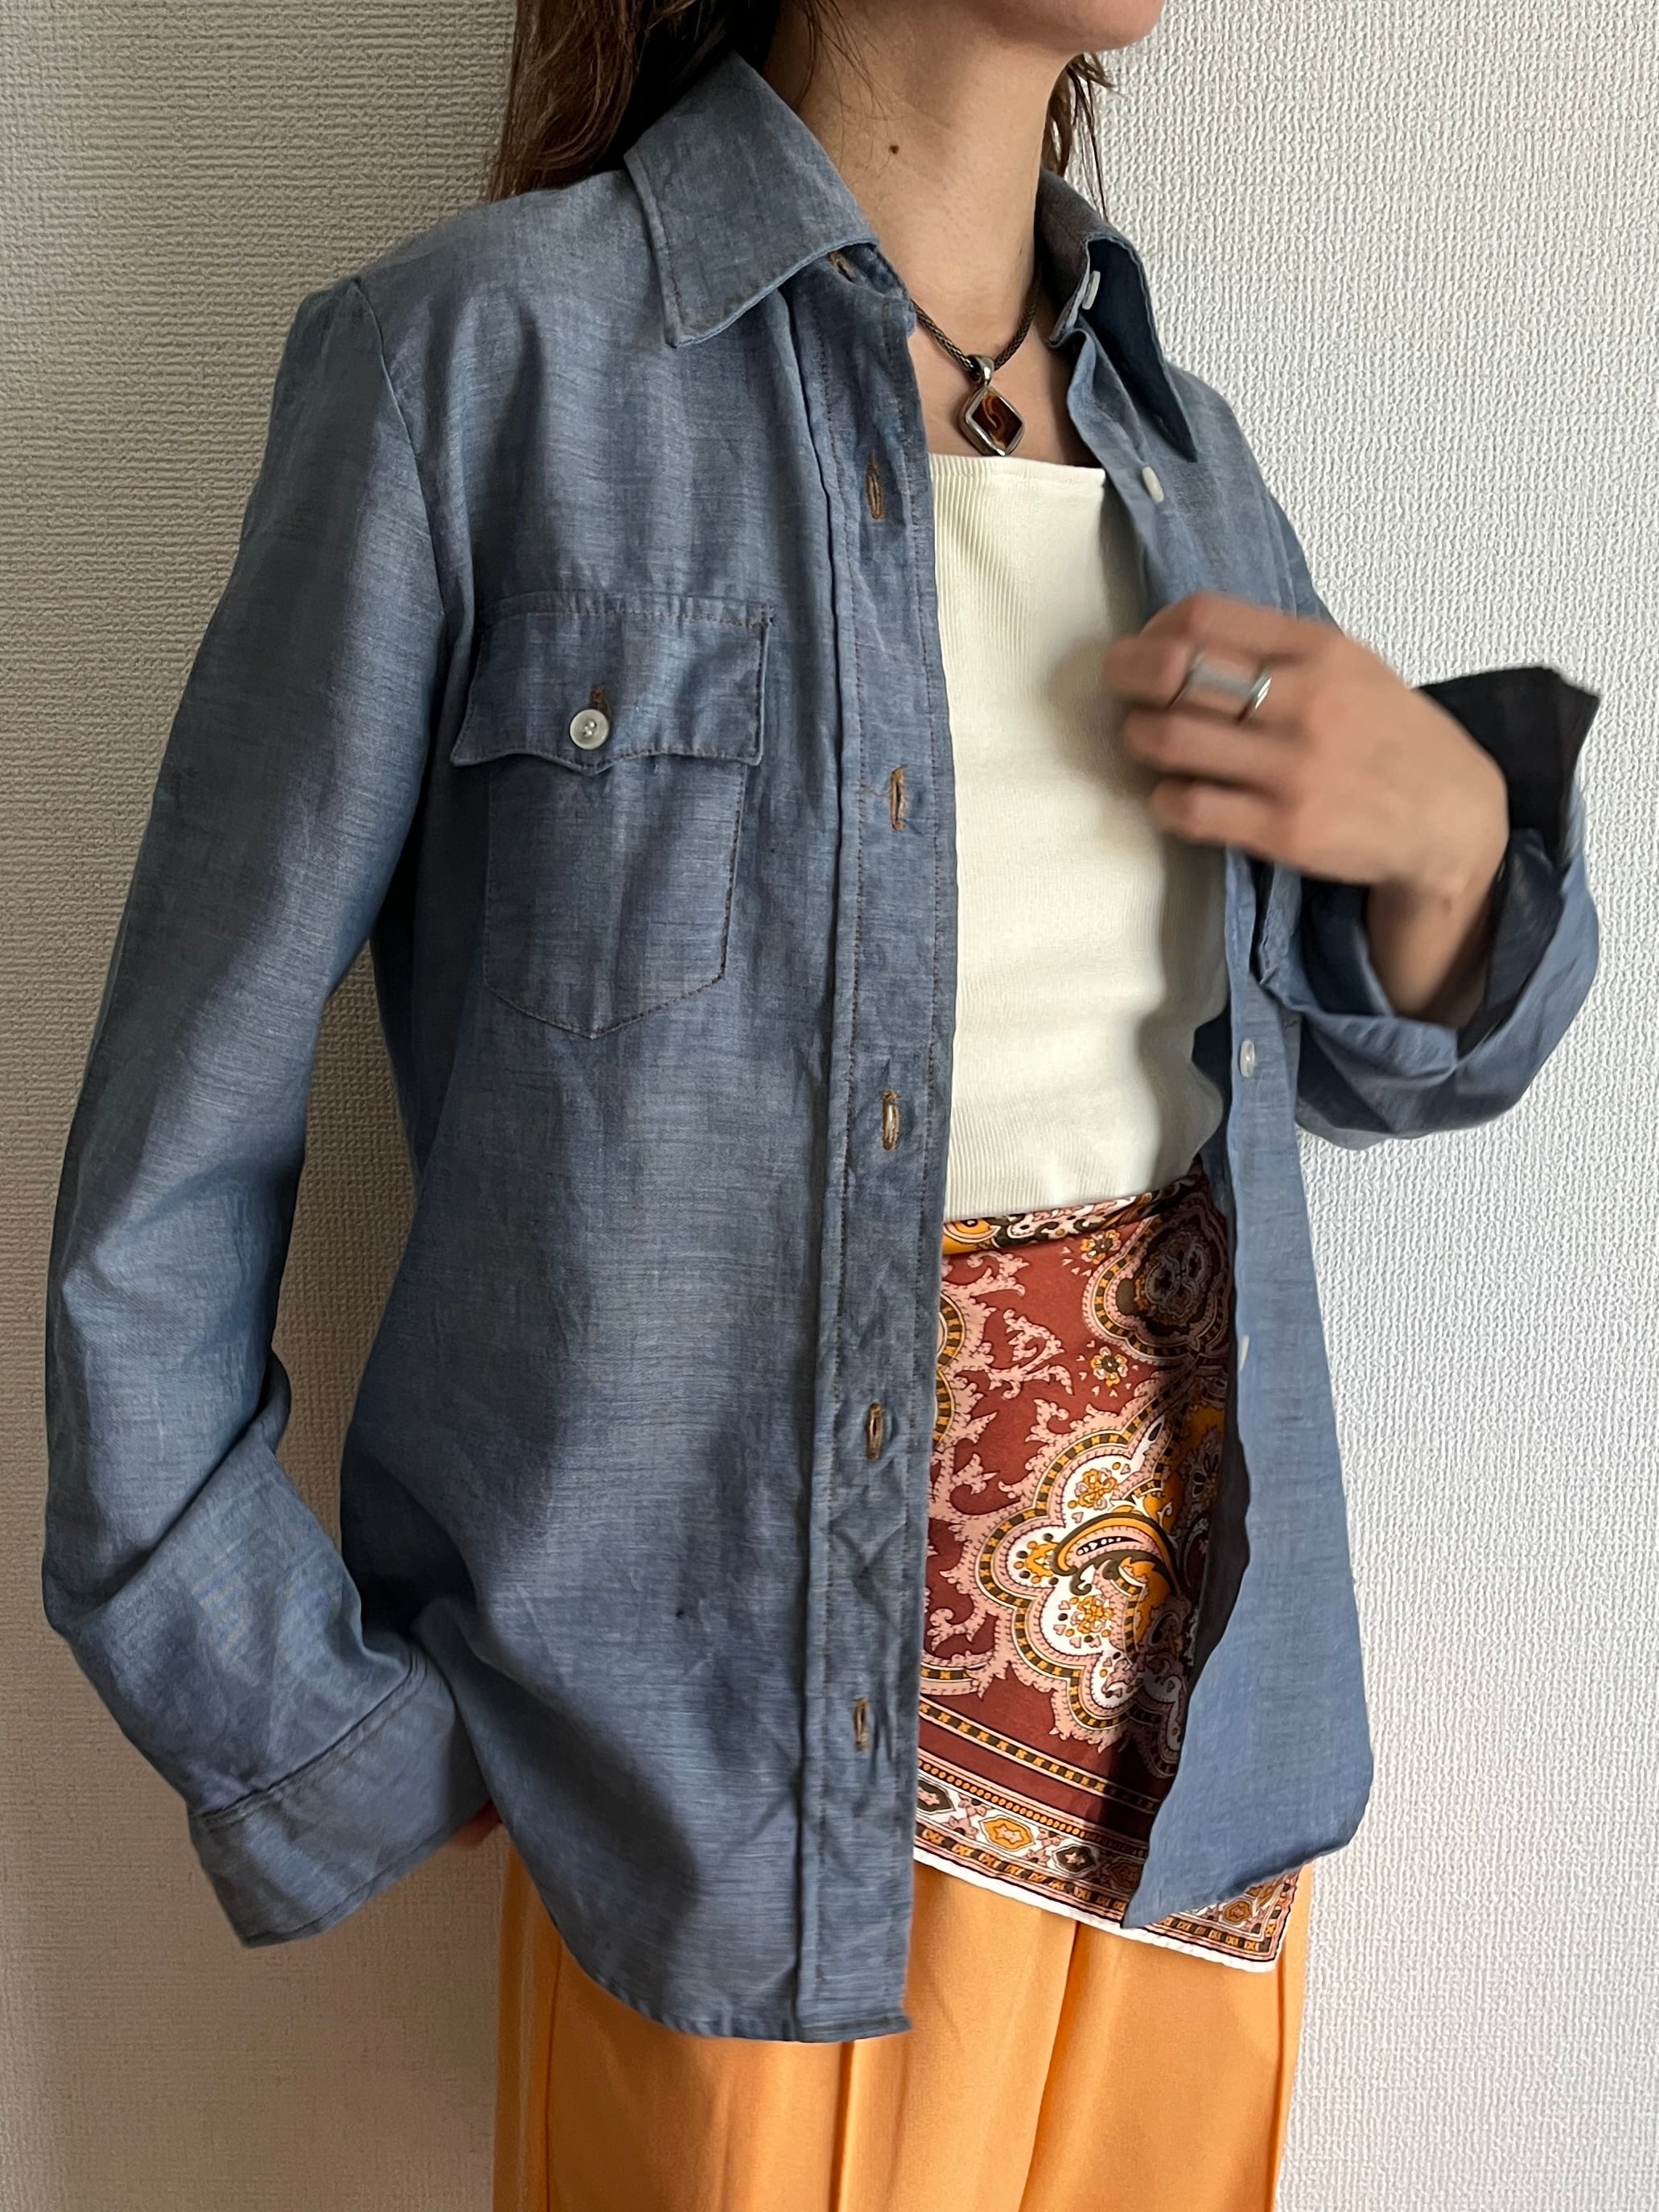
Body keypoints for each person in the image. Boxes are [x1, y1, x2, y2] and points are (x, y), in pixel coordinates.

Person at [42, 3, 1600, 2208]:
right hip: (729, 1835)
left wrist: (1448, 838)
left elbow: (1373, 1054)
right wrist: (300, 1722)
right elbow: (170, 1157)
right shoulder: (483, 367)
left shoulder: (1186, 462)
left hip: (1199, 1824)